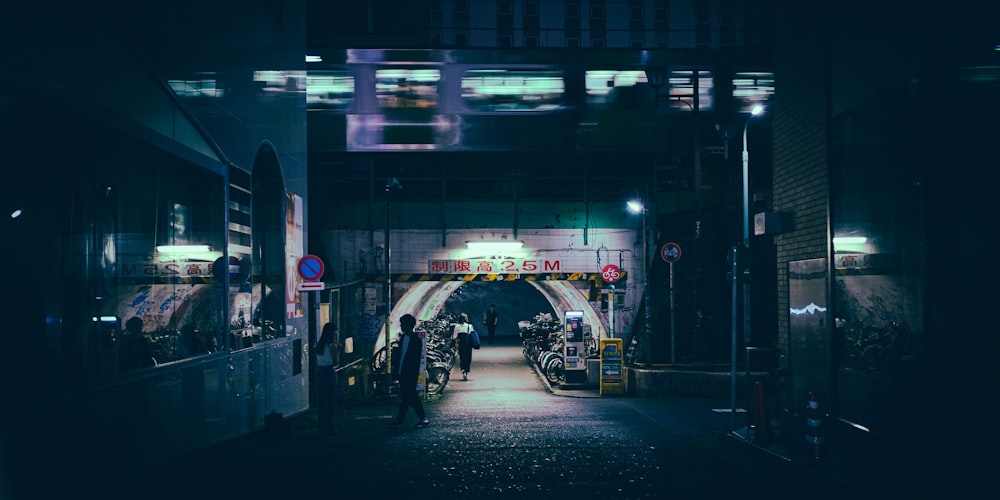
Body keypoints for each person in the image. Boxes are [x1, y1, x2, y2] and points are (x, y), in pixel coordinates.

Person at [392, 314, 430, 428]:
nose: (401, 326)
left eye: (402, 324)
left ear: (408, 325)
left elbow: (414, 360)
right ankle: (401, 419)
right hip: (402, 372)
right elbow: (401, 357)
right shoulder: (403, 338)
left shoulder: (415, 340)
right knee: (407, 397)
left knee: (410, 396)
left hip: (409, 374)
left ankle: (422, 418)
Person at [315, 322, 340, 436]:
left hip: (320, 372)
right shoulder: (332, 346)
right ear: (332, 332)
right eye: (335, 331)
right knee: (330, 401)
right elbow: (335, 362)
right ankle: (330, 427)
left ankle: (321, 427)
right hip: (329, 372)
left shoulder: (319, 345)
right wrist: (337, 350)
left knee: (322, 401)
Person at [452, 312, 474, 380]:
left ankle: (463, 370)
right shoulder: (469, 326)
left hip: (461, 344)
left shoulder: (457, 326)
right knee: (468, 358)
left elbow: (455, 337)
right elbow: (472, 335)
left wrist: (456, 345)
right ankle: (466, 371)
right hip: (468, 344)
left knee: (462, 357)